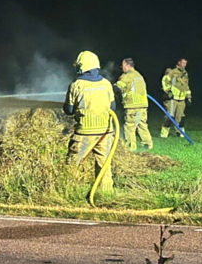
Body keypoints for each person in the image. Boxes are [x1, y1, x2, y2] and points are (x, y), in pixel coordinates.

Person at [64, 51, 116, 192]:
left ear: (80, 67)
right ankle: (106, 193)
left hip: (84, 133)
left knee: (72, 164)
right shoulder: (106, 84)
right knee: (104, 166)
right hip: (105, 133)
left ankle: (68, 191)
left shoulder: (77, 85)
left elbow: (68, 110)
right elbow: (113, 107)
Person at [115, 58, 153, 151]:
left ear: (127, 65)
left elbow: (117, 87)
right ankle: (148, 144)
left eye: (122, 65)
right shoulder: (138, 75)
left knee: (129, 126)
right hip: (142, 105)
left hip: (132, 105)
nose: (121, 67)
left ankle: (130, 147)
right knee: (142, 125)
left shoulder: (127, 76)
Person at [160, 58, 191, 138]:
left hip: (181, 99)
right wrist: (169, 92)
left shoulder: (185, 73)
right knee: (169, 116)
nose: (185, 65)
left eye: (186, 63)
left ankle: (180, 132)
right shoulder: (172, 72)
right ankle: (164, 134)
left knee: (181, 117)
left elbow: (186, 86)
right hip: (172, 99)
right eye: (183, 63)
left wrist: (188, 96)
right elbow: (165, 81)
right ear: (179, 63)